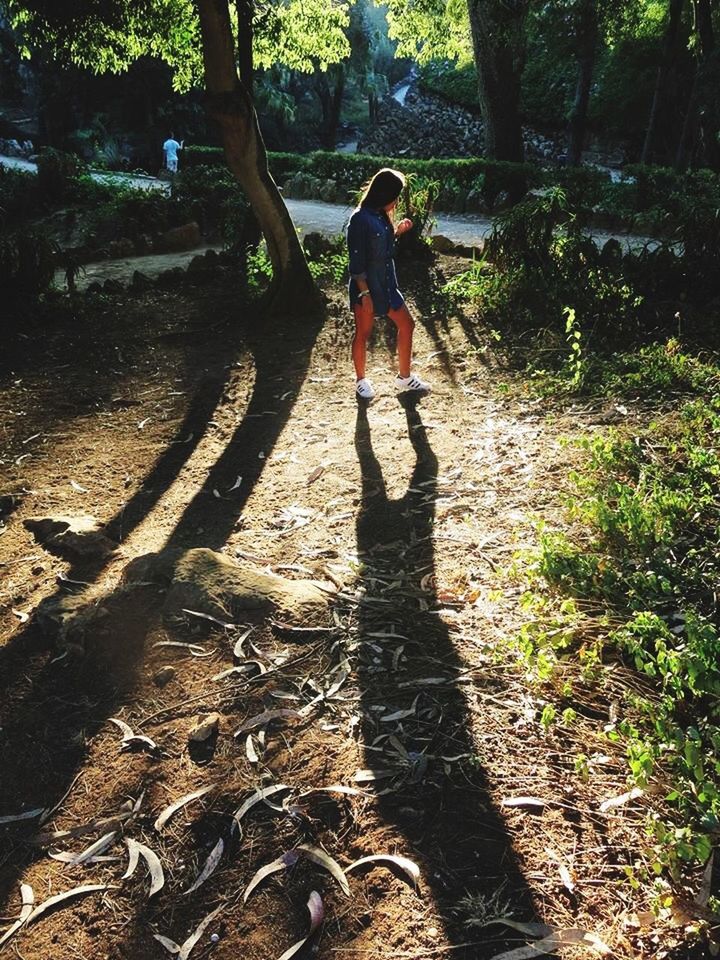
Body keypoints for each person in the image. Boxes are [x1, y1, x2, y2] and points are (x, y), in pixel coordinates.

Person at [347, 167, 431, 401]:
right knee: (363, 333)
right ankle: (361, 381)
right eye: (394, 196)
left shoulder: (380, 216)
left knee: (407, 324)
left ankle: (404, 378)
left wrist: (396, 232)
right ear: (383, 194)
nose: (396, 201)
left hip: (388, 284)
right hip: (367, 288)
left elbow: (380, 248)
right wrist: (364, 294)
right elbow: (357, 262)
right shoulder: (359, 219)